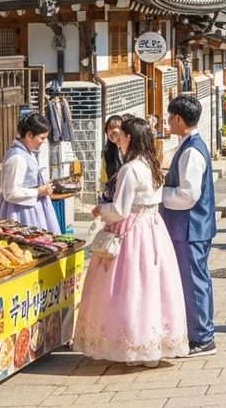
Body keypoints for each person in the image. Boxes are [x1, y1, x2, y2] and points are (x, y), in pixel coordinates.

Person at [74, 117, 189, 365]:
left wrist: (101, 209)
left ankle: (132, 347)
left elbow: (120, 210)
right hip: (154, 228)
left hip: (131, 231)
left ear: (130, 137)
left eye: (122, 135)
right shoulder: (152, 165)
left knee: (129, 288)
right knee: (153, 286)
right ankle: (152, 347)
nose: (118, 139)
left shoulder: (130, 169)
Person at [160, 95, 219, 358]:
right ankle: (198, 332)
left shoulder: (192, 151)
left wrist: (160, 194)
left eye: (169, 116)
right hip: (190, 226)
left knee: (194, 281)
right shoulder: (189, 145)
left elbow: (188, 195)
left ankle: (203, 337)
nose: (167, 121)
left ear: (178, 119)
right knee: (194, 280)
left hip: (190, 226)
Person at [0, 112, 61, 233]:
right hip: (20, 213)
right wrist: (37, 191)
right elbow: (10, 192)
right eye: (42, 138)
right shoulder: (17, 158)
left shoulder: (27, 152)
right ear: (29, 135)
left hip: (32, 209)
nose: (43, 142)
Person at [99, 114, 124, 205]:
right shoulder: (107, 152)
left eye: (115, 128)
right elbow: (104, 178)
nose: (111, 132)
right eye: (109, 129)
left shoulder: (129, 150)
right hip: (111, 197)